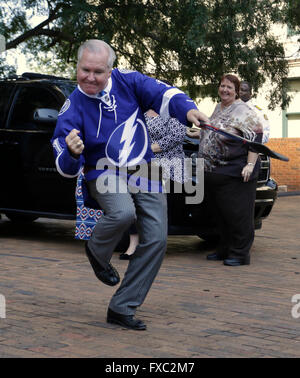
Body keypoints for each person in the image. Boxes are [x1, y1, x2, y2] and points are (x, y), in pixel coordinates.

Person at [51, 39, 209, 330]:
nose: (90, 77)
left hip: (144, 167)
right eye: (85, 70)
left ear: (110, 70)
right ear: (77, 66)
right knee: (123, 212)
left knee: (158, 238)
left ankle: (122, 307)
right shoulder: (73, 104)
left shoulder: (129, 81)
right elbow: (63, 157)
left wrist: (189, 110)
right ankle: (97, 250)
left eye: (98, 71)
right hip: (103, 170)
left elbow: (164, 93)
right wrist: (72, 152)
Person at [197, 74, 263, 266]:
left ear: (236, 91)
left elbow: (256, 137)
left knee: (238, 215)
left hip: (235, 172)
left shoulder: (244, 110)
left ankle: (241, 254)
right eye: (222, 86)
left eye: (229, 87)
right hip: (215, 172)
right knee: (221, 215)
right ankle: (224, 249)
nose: (225, 90)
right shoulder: (219, 107)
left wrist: (250, 165)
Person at [119, 109, 191, 260]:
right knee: (134, 203)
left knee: (160, 209)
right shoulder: (141, 110)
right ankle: (133, 245)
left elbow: (176, 136)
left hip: (170, 167)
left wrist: (147, 149)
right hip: (142, 165)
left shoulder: (174, 111)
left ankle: (155, 247)